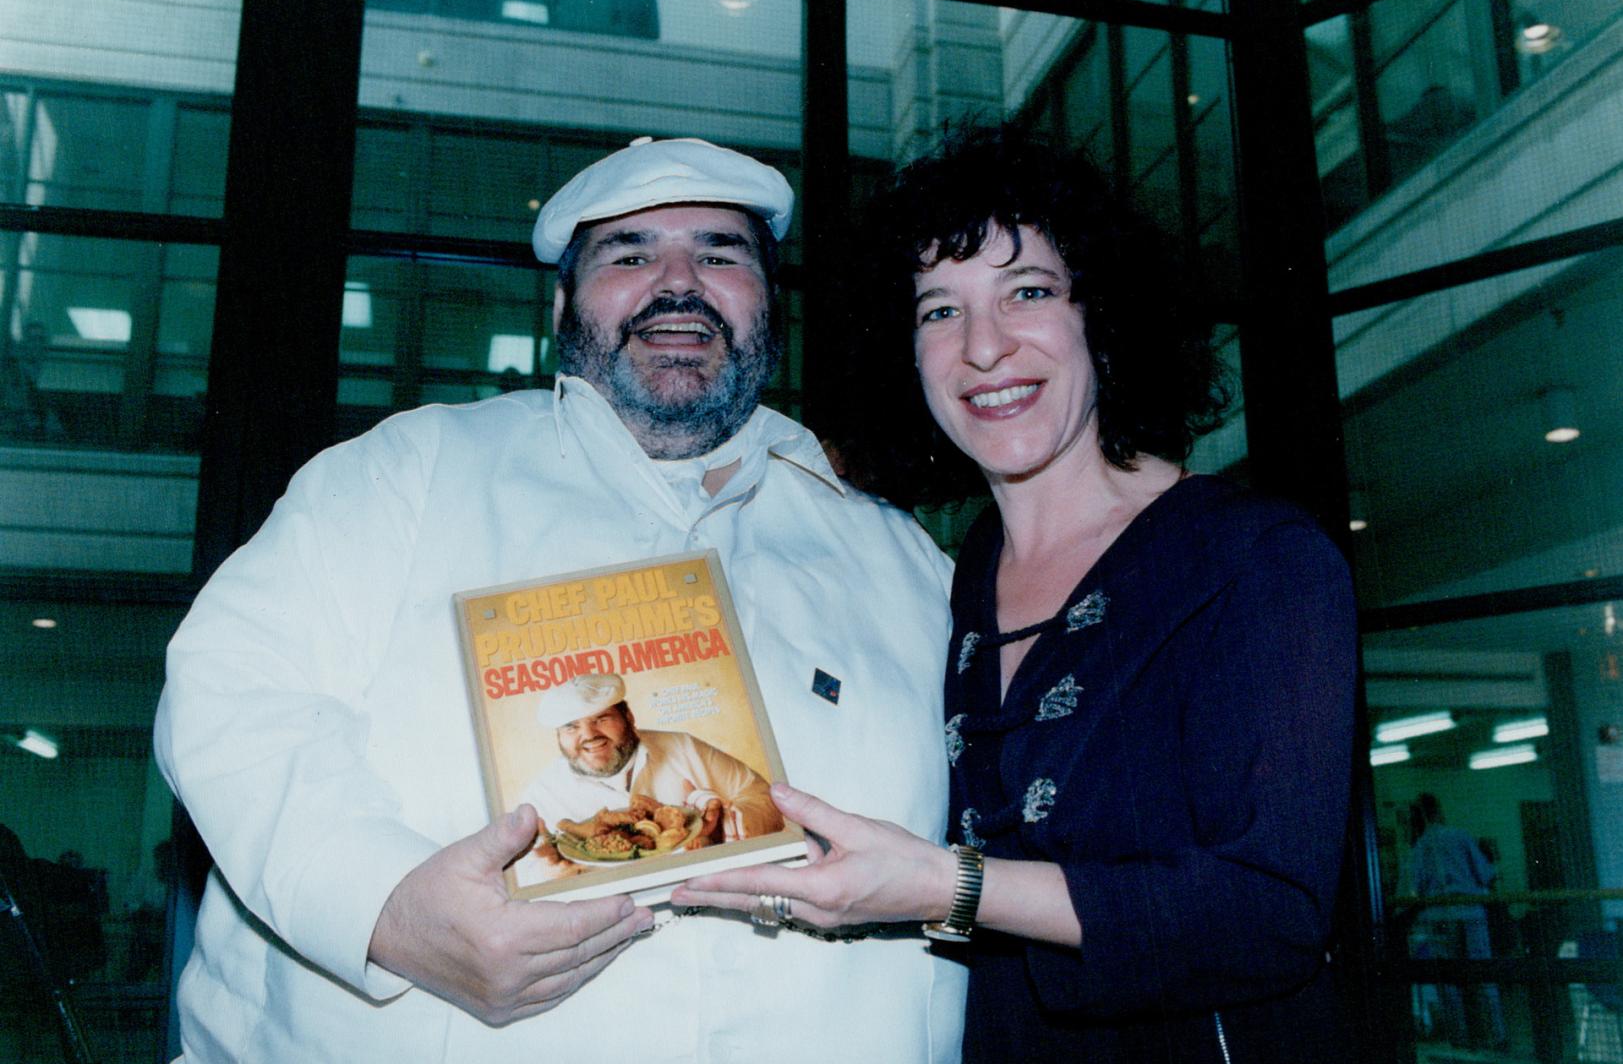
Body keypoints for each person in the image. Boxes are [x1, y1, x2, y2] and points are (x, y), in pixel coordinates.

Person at [154, 136, 966, 1061]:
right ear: (559, 307)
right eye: (628, 255)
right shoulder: (412, 471)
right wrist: (381, 907)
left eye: (718, 253)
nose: (678, 282)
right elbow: (232, 689)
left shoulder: (894, 555)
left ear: (766, 307)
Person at [674, 126, 1358, 1062]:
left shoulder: (1252, 558)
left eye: (1026, 292)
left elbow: (1271, 910)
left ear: (1103, 319)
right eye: (938, 312)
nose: (983, 349)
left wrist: (948, 887)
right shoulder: (950, 576)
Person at [514, 672, 783, 885]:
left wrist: (730, 821)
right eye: (571, 726)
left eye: (601, 718)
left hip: (710, 888)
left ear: (628, 717)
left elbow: (763, 795)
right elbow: (519, 877)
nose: (589, 735)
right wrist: (545, 876)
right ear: (559, 737)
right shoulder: (541, 794)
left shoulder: (683, 747)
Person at [1410, 792, 1507, 1049]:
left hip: (1438, 916)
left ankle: (1459, 1038)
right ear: (1439, 811)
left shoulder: (1420, 846)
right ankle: (1496, 1035)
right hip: (1471, 913)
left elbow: (1415, 888)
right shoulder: (1460, 836)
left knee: (1448, 979)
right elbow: (1486, 874)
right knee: (1482, 972)